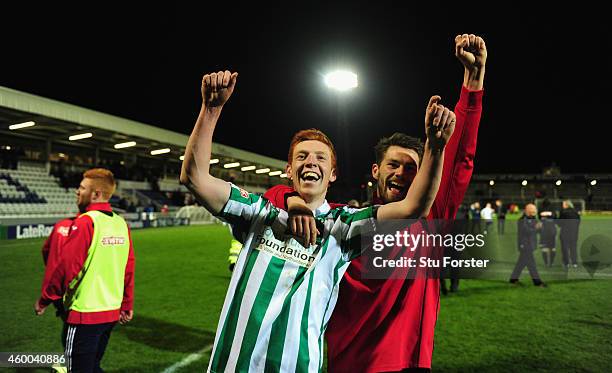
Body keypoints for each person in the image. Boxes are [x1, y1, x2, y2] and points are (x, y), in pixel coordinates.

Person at [179, 69, 454, 372]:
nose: (311, 161)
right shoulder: (260, 213)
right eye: (302, 156)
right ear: (289, 170)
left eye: (321, 158)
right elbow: (193, 178)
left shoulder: (343, 226)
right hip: (232, 365)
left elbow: (413, 208)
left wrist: (436, 147)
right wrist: (211, 109)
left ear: (333, 175)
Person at [264, 33, 486, 372]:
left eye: (412, 168)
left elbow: (460, 159)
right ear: (375, 171)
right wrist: (291, 198)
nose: (401, 174)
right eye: (393, 165)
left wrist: (473, 81)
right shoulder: (346, 224)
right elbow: (271, 199)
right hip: (350, 364)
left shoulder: (429, 219)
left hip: (410, 363)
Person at [35, 168, 135, 372]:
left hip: (85, 314)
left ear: (96, 194)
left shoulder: (85, 222)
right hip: (110, 314)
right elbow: (128, 267)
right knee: (91, 367)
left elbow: (66, 267)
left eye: (82, 188)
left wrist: (45, 299)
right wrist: (126, 303)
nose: (77, 192)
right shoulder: (120, 223)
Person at [509, 203, 546, 287]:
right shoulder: (522, 220)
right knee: (531, 264)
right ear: (529, 210)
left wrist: (541, 227)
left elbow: (539, 231)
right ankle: (537, 282)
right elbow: (527, 231)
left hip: (530, 244)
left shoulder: (533, 219)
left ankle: (513, 279)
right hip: (525, 245)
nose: (535, 211)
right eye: (534, 210)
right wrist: (536, 228)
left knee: (521, 263)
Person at [557, 199, 581, 269]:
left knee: (565, 248)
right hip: (574, 233)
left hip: (565, 233)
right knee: (573, 248)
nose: (562, 205)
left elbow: (559, 224)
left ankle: (566, 263)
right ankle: (574, 263)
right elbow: (578, 222)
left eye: (563, 204)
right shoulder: (576, 212)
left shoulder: (563, 212)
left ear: (566, 205)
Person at [539, 199, 557, 267]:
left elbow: (539, 218)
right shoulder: (553, 210)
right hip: (552, 230)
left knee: (544, 247)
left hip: (544, 230)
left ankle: (546, 263)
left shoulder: (541, 209)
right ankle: (551, 263)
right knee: (552, 248)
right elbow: (555, 218)